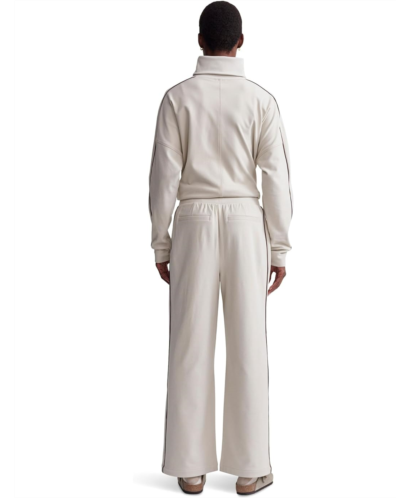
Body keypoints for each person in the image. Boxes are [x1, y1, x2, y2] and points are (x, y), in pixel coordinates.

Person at [149, 1, 292, 494]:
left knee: (190, 344)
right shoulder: (261, 101)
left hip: (192, 221)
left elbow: (163, 176)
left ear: (199, 40)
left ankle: (190, 467)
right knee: (249, 343)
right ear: (241, 41)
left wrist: (161, 241)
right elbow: (276, 178)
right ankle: (251, 468)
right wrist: (279, 247)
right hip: (246, 223)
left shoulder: (177, 98)